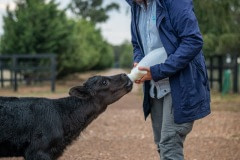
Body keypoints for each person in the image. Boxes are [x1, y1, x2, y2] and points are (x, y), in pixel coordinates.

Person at [125, 0, 211, 159]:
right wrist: (139, 61)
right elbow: (138, 44)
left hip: (181, 84)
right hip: (155, 87)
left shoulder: (175, 2)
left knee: (169, 144)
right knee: (161, 145)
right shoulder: (136, 7)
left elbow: (193, 41)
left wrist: (158, 70)